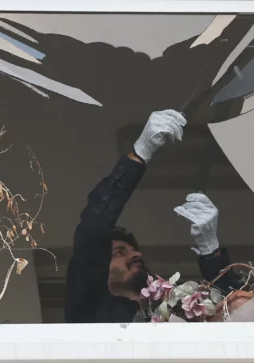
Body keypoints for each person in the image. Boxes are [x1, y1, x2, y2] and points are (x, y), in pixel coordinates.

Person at [65, 110, 242, 323]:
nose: (137, 254)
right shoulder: (87, 310)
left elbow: (237, 316)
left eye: (133, 250)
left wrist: (210, 249)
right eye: (119, 251)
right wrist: (141, 151)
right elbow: (94, 229)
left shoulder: (176, 312)